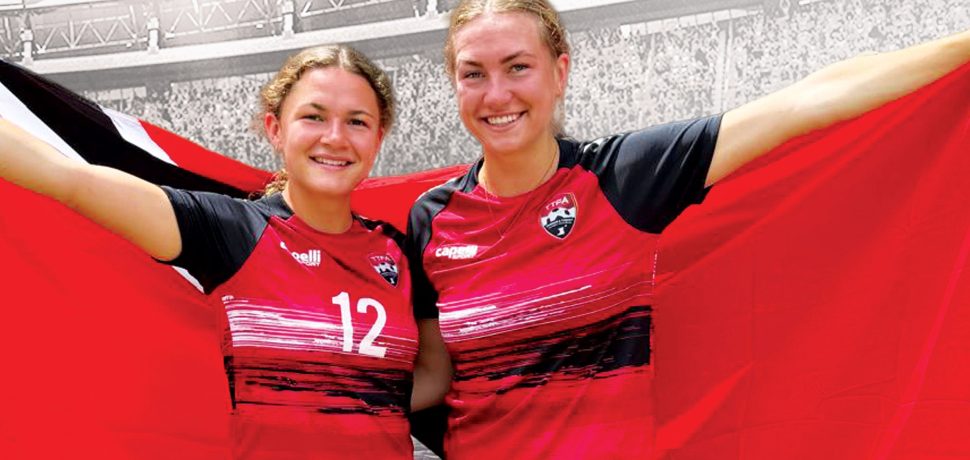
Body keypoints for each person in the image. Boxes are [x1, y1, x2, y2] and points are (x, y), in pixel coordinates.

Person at [404, 0, 970, 458]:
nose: (496, 94)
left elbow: (804, 102)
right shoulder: (432, 219)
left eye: (517, 67)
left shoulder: (623, 178)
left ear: (560, 73)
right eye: (473, 74)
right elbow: (434, 374)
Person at [0, 44, 450, 459]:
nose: (335, 137)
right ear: (275, 129)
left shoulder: (402, 251)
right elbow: (70, 180)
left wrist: (349, 403)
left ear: (378, 137)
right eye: (313, 117)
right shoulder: (230, 229)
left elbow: (436, 372)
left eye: (357, 121)